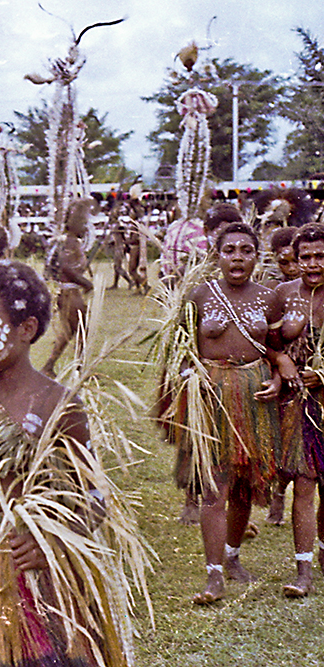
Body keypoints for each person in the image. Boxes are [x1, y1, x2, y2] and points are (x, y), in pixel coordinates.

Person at [0, 260, 138, 667]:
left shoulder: (56, 403)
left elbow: (94, 495)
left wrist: (56, 540)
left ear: (26, 329)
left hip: (40, 558)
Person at [174, 221, 283, 604]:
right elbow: (179, 352)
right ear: (216, 255)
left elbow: (277, 348)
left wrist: (277, 376)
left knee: (244, 487)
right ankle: (214, 574)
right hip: (212, 399)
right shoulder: (199, 295)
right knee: (214, 489)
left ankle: (233, 557)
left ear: (257, 256)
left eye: (246, 250)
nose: (237, 257)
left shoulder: (270, 298)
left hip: (252, 397)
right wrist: (193, 375)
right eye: (229, 250)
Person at [274, 222, 324, 597]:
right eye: (304, 257)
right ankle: (303, 570)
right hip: (299, 407)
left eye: (320, 256)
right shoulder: (283, 293)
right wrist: (283, 362)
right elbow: (264, 343)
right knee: (303, 487)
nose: (311, 264)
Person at [263, 225, 300, 525]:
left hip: (309, 375)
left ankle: (282, 491)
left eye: (293, 260)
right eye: (282, 262)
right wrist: (278, 363)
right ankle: (277, 491)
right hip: (276, 370)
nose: (290, 268)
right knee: (280, 442)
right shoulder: (272, 290)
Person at [42, 197, 94, 378]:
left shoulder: (64, 241)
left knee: (67, 333)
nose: (86, 228)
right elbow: (65, 268)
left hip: (65, 291)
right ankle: (80, 370)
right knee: (82, 331)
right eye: (83, 223)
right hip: (70, 292)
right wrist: (85, 283)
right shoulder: (70, 242)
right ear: (74, 224)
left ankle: (49, 366)